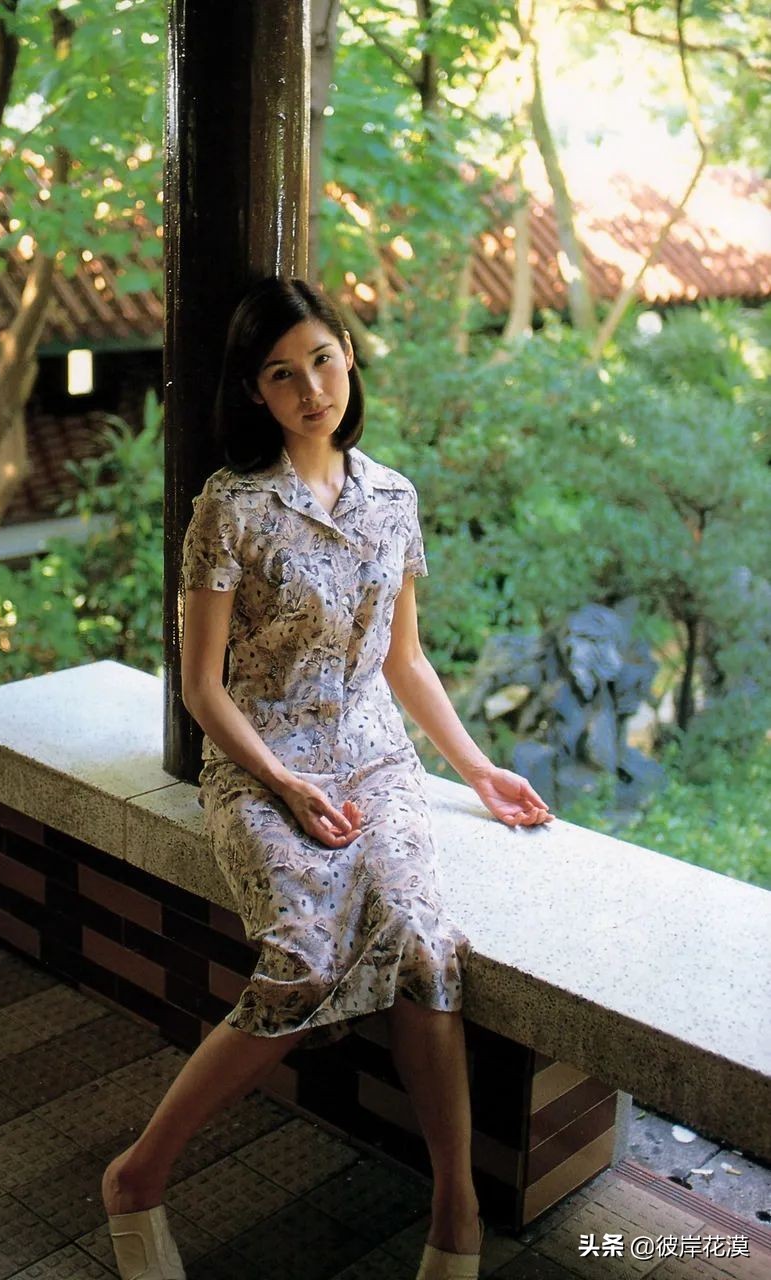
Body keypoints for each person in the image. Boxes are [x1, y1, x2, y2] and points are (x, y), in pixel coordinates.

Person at [102, 277, 554, 1280]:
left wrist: (478, 769)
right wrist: (282, 781)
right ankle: (136, 1175)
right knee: (304, 957)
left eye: (322, 359)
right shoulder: (229, 508)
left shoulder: (392, 497)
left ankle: (455, 1204)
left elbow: (404, 659)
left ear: (349, 357)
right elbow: (202, 686)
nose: (311, 388)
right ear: (254, 391)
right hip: (260, 761)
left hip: (374, 756)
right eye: (281, 373)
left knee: (424, 944)